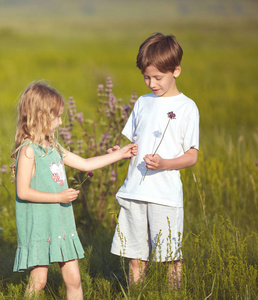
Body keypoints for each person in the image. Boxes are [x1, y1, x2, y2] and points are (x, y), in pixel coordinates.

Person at [11, 81, 137, 299]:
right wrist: (58, 196)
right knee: (39, 281)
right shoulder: (28, 151)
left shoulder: (55, 148)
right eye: (57, 116)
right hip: (40, 226)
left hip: (60, 224)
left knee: (74, 280)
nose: (60, 122)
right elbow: (23, 192)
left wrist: (119, 154)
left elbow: (86, 164)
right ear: (40, 116)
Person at [110, 33, 199, 288]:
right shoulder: (142, 103)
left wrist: (164, 164)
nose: (151, 83)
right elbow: (134, 143)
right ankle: (136, 293)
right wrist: (119, 150)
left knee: (170, 256)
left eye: (158, 77)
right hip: (134, 191)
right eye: (146, 77)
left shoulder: (187, 107)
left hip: (165, 195)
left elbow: (192, 155)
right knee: (135, 256)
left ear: (176, 71)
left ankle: (173, 293)